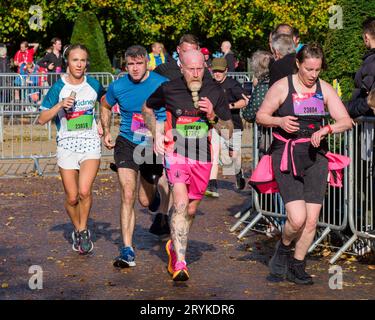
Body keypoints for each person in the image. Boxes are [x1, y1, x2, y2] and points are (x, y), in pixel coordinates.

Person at [256, 43, 352, 285]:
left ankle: (297, 266)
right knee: (297, 218)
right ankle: (284, 246)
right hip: (286, 155)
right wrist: (279, 121)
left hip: (315, 157)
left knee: (311, 220)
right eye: (309, 69)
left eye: (317, 70)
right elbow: (260, 116)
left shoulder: (324, 89)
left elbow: (346, 121)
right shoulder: (282, 87)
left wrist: (327, 128)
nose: (313, 75)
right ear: (298, 64)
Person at [142, 49, 233, 281]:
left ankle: (174, 245)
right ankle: (180, 262)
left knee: (190, 210)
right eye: (191, 69)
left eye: (200, 68)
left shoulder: (215, 90)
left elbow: (229, 131)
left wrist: (212, 115)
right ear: (181, 67)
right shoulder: (169, 88)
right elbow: (147, 107)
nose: (196, 73)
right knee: (180, 203)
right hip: (176, 153)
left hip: (202, 156)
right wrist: (156, 133)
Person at [100, 45, 170, 268]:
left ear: (147, 63)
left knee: (144, 200)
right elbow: (105, 105)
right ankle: (127, 250)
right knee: (127, 194)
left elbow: (174, 110)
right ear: (126, 65)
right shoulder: (118, 85)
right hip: (127, 142)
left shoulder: (160, 83)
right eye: (131, 64)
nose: (135, 68)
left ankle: (155, 201)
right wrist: (107, 129)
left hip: (151, 145)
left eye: (139, 63)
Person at [37, 44, 105, 255]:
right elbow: (41, 119)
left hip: (90, 142)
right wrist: (60, 105)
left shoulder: (93, 84)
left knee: (85, 191)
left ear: (87, 63)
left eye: (83, 60)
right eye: (75, 60)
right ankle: (78, 228)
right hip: (66, 145)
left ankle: (83, 230)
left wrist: (104, 123)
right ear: (67, 61)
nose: (79, 64)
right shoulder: (59, 87)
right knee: (72, 197)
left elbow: (105, 102)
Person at [150, 34, 211, 236]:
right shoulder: (164, 69)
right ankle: (160, 210)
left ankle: (169, 222)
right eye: (186, 51)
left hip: (197, 144)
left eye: (194, 51)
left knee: (184, 202)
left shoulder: (202, 75)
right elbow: (150, 94)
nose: (190, 56)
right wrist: (155, 130)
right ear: (179, 51)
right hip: (165, 131)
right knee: (166, 186)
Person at [206, 57, 246, 197]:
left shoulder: (232, 85)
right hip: (215, 124)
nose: (217, 74)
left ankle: (238, 172)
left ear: (226, 71)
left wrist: (230, 106)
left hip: (233, 125)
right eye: (215, 71)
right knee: (214, 154)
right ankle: (212, 186)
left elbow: (244, 101)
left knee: (233, 156)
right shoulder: (209, 85)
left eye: (220, 71)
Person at [346, 17, 375, 118]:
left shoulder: (371, 62)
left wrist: (346, 109)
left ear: (366, 37)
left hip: (369, 125)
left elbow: (370, 101)